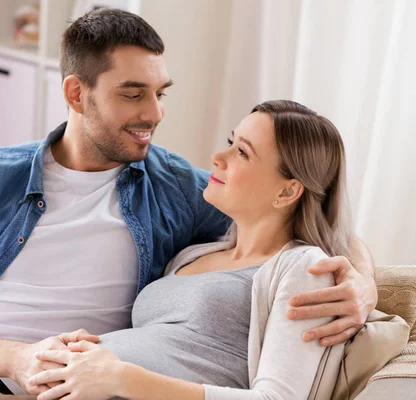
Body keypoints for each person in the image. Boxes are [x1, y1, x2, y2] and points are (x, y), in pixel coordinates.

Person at [0, 9, 376, 400]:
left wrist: (362, 282)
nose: (154, 113)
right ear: (76, 94)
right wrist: (17, 357)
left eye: (160, 92)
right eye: (132, 94)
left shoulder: (179, 189)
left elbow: (304, 217)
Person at [23, 100, 359, 400]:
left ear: (287, 192)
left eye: (242, 152)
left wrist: (120, 377)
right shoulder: (195, 254)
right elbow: (168, 347)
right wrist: (87, 352)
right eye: (231, 143)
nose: (217, 157)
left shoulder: (304, 268)